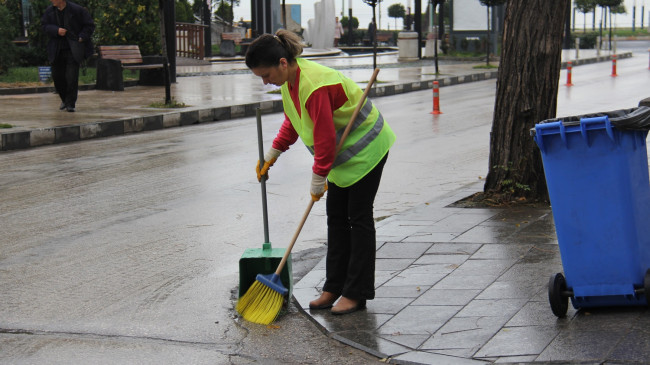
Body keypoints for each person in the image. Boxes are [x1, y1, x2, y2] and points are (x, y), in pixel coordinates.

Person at [246, 30, 396, 315]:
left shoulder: (313, 85)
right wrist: (272, 154)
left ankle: (356, 293)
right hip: (343, 159)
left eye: (266, 75)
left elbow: (325, 137)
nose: (265, 82)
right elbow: (294, 121)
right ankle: (334, 287)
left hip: (367, 149)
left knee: (358, 218)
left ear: (282, 63)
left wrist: (317, 179)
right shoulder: (291, 81)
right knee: (336, 218)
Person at [42, 0, 94, 112]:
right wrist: (56, 30)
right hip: (56, 49)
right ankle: (64, 99)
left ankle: (70, 103)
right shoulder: (49, 11)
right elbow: (45, 26)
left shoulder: (77, 10)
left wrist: (82, 37)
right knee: (57, 77)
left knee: (71, 77)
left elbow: (89, 25)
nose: (52, 1)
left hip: (73, 49)